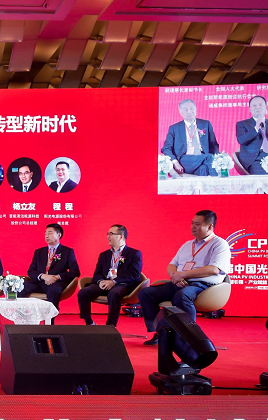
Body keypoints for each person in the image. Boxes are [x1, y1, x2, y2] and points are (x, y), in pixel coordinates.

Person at [139, 210, 231, 346]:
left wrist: (183, 274)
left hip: (203, 286)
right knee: (146, 293)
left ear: (210, 226)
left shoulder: (219, 244)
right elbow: (172, 265)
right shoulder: (187, 245)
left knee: (182, 296)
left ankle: (189, 337)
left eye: (197, 224)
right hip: (179, 282)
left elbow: (213, 269)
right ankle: (160, 332)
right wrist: (174, 276)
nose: (193, 227)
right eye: (192, 223)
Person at [77, 225, 143, 326]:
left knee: (114, 293)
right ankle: (89, 323)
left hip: (123, 284)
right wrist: (100, 282)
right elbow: (97, 273)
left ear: (121, 236)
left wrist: (114, 282)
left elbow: (134, 274)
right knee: (83, 293)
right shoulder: (104, 255)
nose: (108, 236)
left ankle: (110, 326)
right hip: (105, 283)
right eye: (108, 234)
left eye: (111, 234)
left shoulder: (134, 253)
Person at [21, 223, 80, 313]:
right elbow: (31, 271)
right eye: (45, 233)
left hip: (56, 283)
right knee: (21, 287)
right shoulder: (39, 252)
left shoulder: (67, 251)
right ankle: (22, 316)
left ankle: (50, 319)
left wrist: (57, 277)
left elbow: (75, 272)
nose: (46, 236)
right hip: (39, 282)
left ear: (59, 235)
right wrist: (43, 276)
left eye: (50, 233)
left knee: (54, 291)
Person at [161, 99, 219, 177]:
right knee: (209, 157)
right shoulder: (174, 128)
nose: (189, 111)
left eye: (191, 108)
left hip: (202, 157)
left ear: (196, 109)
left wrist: (217, 157)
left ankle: (206, 185)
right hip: (185, 160)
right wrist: (175, 162)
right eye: (186, 110)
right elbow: (166, 148)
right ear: (181, 112)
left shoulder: (205, 124)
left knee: (204, 168)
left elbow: (213, 144)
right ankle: (220, 183)